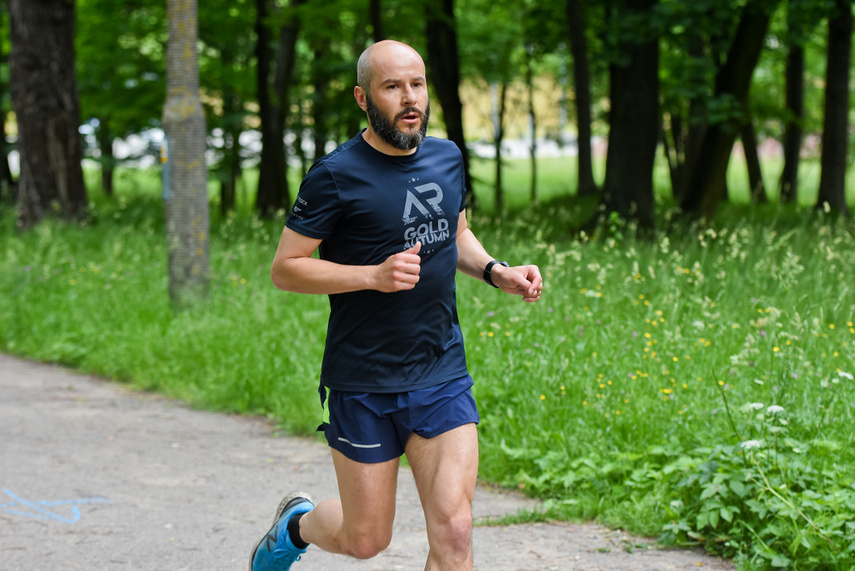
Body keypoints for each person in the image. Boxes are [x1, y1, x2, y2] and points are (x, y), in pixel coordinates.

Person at [250, 39, 543, 571]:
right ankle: (297, 523)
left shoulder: (446, 156)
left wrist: (495, 271)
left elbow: (453, 233)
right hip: (363, 380)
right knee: (366, 540)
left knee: (454, 529)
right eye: (392, 87)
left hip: (440, 370)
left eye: (417, 84)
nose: (410, 99)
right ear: (363, 98)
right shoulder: (335, 175)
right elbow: (286, 267)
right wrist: (372, 275)